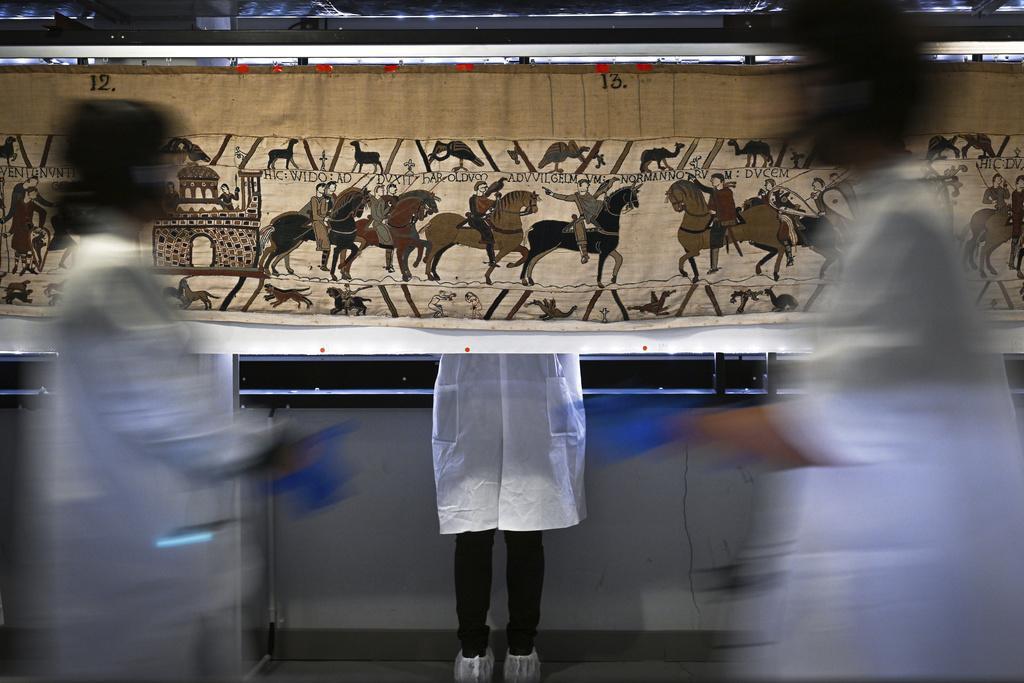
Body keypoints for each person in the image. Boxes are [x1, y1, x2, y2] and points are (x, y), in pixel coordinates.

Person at [25, 100, 296, 680]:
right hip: (138, 551)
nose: (175, 181)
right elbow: (166, 415)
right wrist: (264, 447)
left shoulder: (117, 268)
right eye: (162, 165)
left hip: (149, 543)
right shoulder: (110, 277)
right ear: (138, 175)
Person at [432, 354, 586, 683]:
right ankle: (477, 654)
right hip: (473, 396)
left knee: (524, 531)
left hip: (532, 397)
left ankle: (519, 652)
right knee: (474, 529)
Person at [543, 177, 615, 264]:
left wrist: (609, 184)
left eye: (587, 187)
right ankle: (584, 254)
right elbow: (565, 197)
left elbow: (600, 192)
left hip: (597, 212)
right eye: (584, 187)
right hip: (585, 216)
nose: (586, 188)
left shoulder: (589, 196)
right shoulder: (576, 197)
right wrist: (552, 194)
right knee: (578, 224)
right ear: (579, 186)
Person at [690, 173, 740, 273]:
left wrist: (695, 180)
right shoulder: (716, 192)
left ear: (721, 181)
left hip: (724, 221)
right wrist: (711, 210)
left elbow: (727, 207)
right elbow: (713, 203)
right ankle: (714, 266)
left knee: (714, 242)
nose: (712, 181)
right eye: (712, 179)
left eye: (714, 179)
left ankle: (714, 267)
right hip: (717, 219)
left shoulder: (726, 192)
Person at [456, 179, 504, 267]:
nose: (486, 188)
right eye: (483, 187)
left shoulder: (485, 199)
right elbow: (474, 211)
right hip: (475, 219)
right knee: (488, 233)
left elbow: (495, 206)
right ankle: (492, 260)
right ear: (478, 188)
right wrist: (483, 216)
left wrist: (498, 198)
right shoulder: (473, 199)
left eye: (486, 187)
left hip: (483, 218)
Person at [309, 181, 332, 272]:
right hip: (317, 221)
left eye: (324, 188)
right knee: (326, 244)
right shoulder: (313, 199)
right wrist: (323, 219)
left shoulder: (323, 199)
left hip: (322, 220)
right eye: (322, 187)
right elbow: (315, 215)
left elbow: (323, 212)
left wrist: (326, 203)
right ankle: (323, 265)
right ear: (317, 188)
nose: (323, 189)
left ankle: (323, 265)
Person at [1011, 175, 1024, 269]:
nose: (1023, 183)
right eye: (1021, 181)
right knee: (1015, 238)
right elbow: (1015, 208)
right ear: (1017, 183)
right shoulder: (1014, 193)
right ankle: (1011, 261)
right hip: (1018, 217)